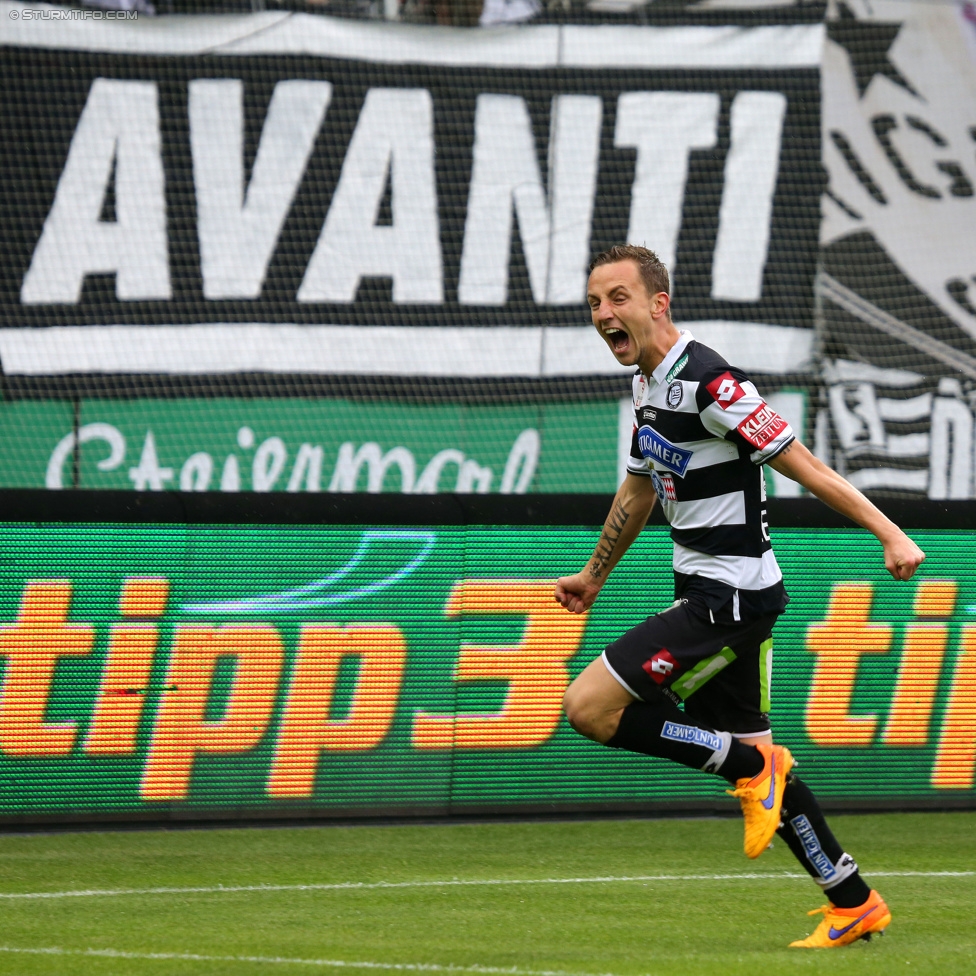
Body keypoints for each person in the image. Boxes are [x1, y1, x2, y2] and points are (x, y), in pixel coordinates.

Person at [556, 244, 925, 949]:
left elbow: (804, 465)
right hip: (711, 593)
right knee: (755, 754)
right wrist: (593, 576)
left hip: (728, 598)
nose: (604, 314)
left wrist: (891, 533)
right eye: (595, 303)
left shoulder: (711, 382)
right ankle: (851, 899)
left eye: (617, 298)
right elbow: (638, 490)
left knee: (591, 709)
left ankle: (748, 766)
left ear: (658, 303)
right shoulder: (646, 382)